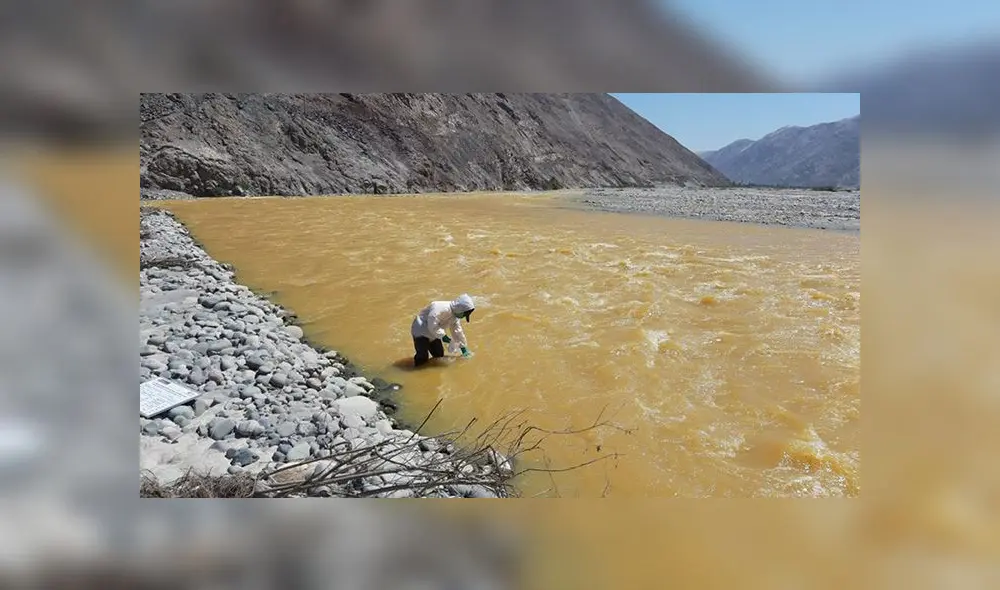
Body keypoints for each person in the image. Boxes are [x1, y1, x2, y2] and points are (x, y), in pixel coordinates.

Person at [410, 293, 475, 367]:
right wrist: (444, 337)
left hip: (434, 334)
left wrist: (463, 347)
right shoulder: (439, 307)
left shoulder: (455, 316)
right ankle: (417, 372)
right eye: (464, 314)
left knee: (439, 355)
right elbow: (432, 324)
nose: (463, 316)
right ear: (460, 309)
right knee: (422, 356)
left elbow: (457, 331)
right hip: (420, 331)